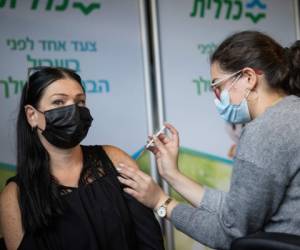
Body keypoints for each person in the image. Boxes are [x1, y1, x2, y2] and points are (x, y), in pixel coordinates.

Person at [116, 30, 300, 250]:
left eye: (218, 87)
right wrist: (172, 176)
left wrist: (161, 202)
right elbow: (240, 212)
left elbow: (231, 234)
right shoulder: (292, 113)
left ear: (249, 78)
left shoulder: (264, 132)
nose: (217, 98)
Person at [0, 67, 165, 250]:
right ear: (32, 115)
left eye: (80, 102)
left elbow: (150, 240)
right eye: (59, 102)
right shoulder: (14, 196)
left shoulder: (114, 159)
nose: (73, 110)